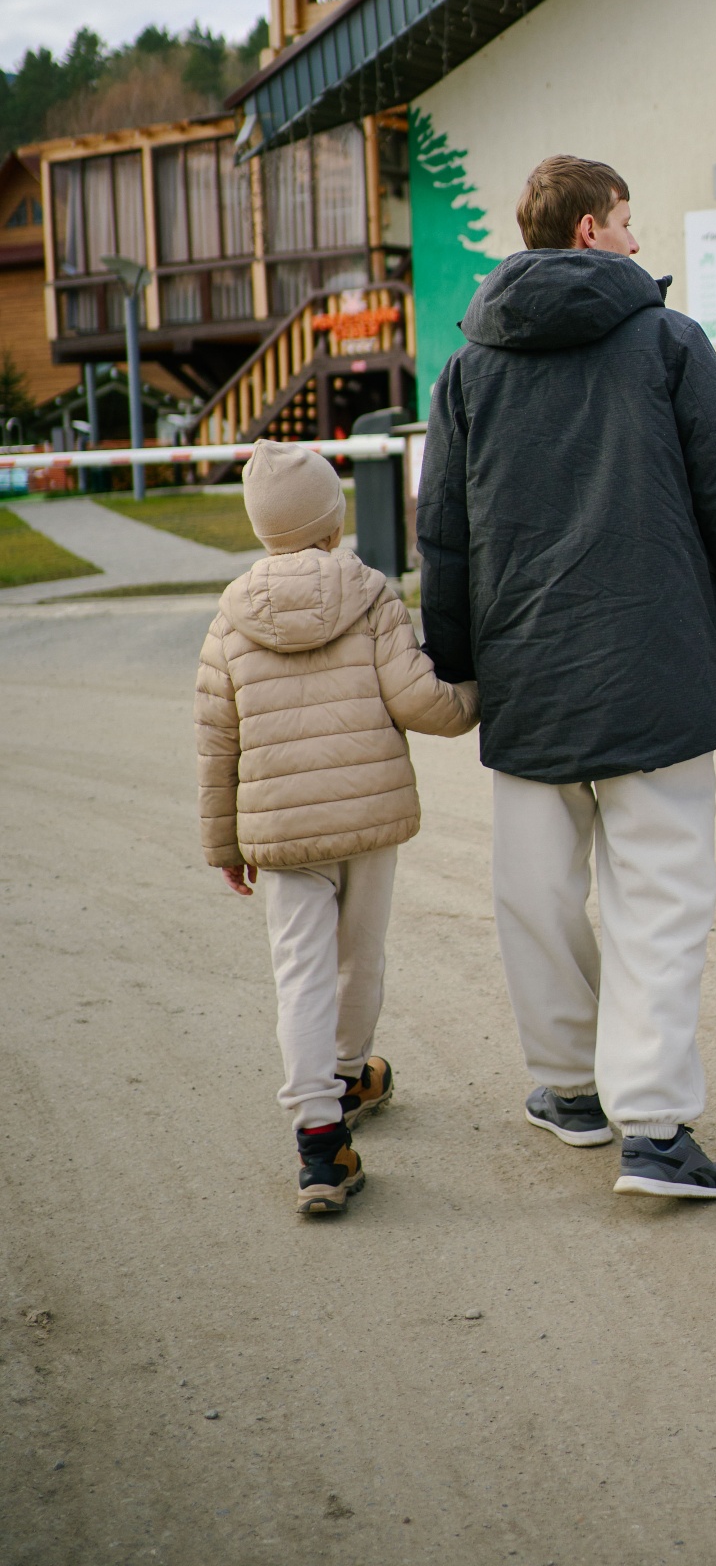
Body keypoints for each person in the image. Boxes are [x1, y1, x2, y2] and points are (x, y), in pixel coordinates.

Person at [417, 155, 716, 1202]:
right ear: (590, 232)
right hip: (658, 670)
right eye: (627, 219)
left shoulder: (466, 369)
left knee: (534, 895)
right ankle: (656, 1129)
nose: (637, 238)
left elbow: (441, 532)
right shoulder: (670, 342)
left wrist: (455, 663)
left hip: (527, 675)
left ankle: (568, 1088)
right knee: (660, 902)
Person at [195, 440, 478, 1215]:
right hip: (368, 818)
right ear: (333, 522)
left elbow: (217, 739)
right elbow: (421, 701)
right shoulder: (370, 593)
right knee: (360, 956)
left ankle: (320, 1143)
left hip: (282, 832)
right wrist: (481, 699)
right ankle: (350, 1071)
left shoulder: (229, 620)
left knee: (301, 975)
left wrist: (225, 844)